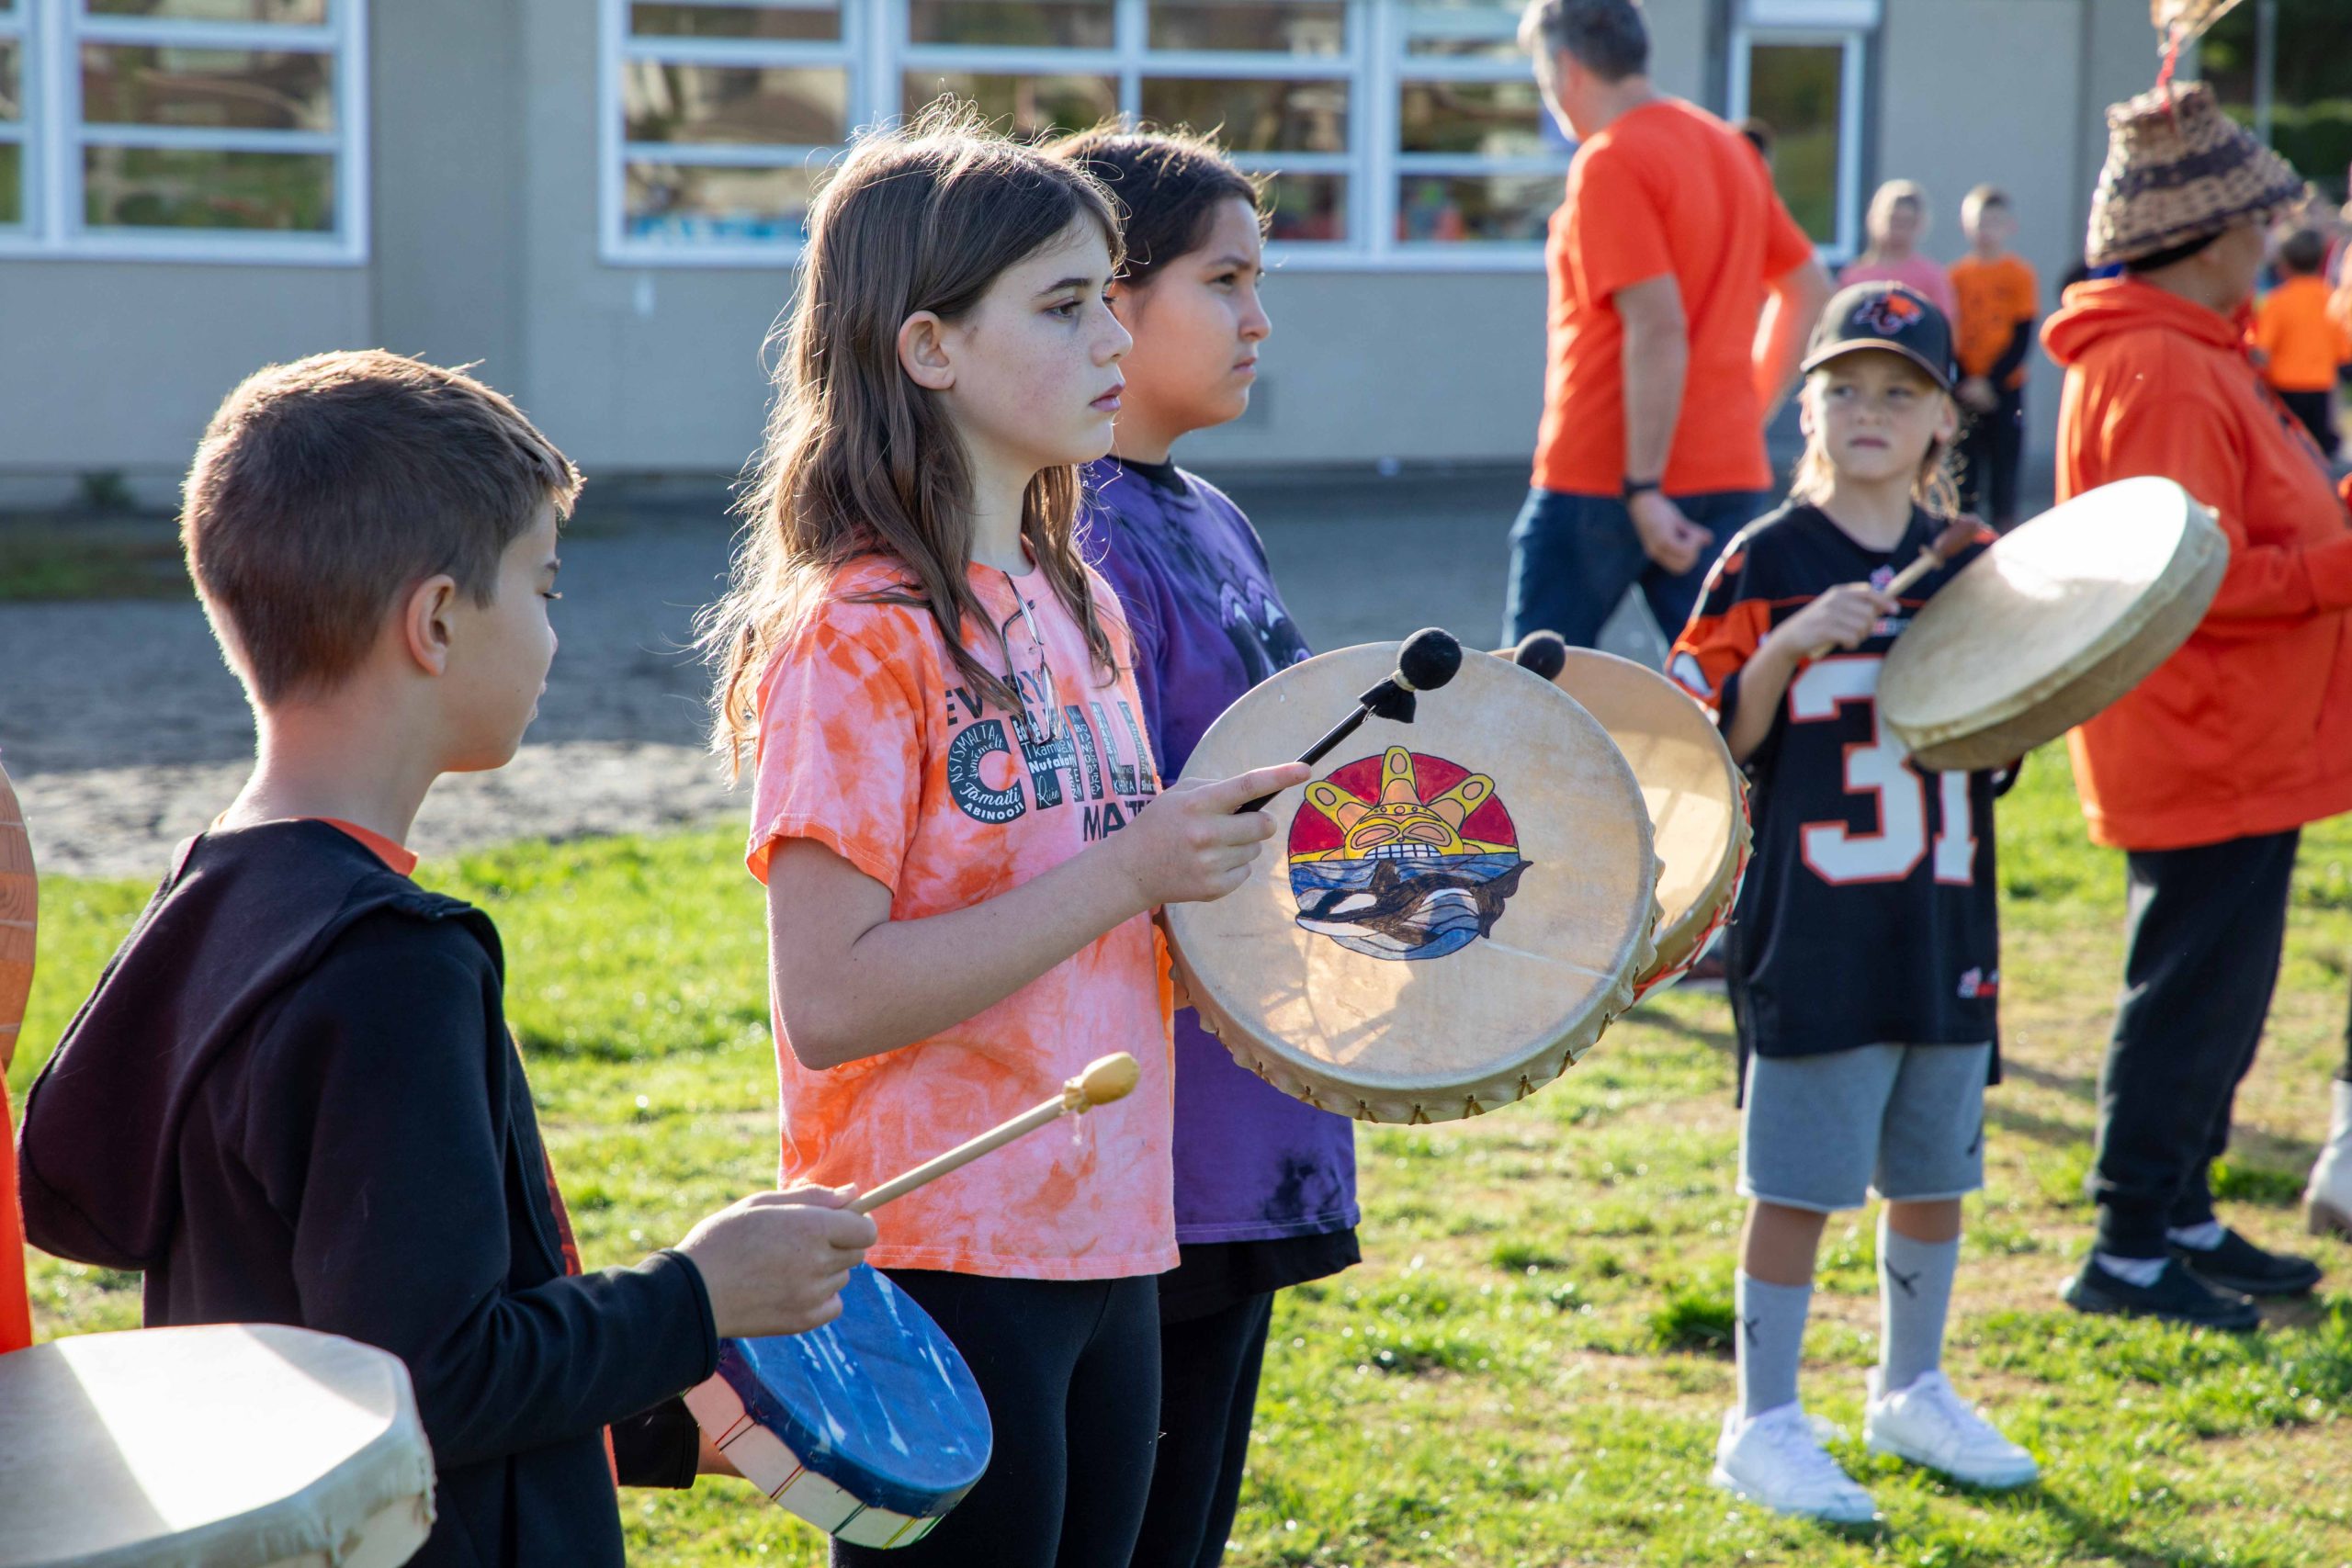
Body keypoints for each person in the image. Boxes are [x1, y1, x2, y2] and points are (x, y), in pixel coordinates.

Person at [13, 351, 880, 1567]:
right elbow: (436, 1376)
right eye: (543, 582)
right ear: (434, 621)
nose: (552, 628)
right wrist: (698, 1292)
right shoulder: (390, 967)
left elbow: (322, 1313)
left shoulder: (215, 887)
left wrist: (663, 1412)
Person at [700, 115, 1307, 1568]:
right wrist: (1131, 868)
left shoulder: (1075, 599)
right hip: (940, 1257)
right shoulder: (853, 641)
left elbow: (1112, 917)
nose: (1113, 335)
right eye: (1063, 303)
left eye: (1112, 293)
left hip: (1118, 1238)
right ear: (928, 348)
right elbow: (832, 1000)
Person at [1668, 283, 2037, 1524]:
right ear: (1807, 406)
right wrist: (1784, 649)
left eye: (1901, 391)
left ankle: (1910, 1383)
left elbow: (2008, 735)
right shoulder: (1763, 557)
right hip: (1814, 918)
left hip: (1941, 907)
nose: (1870, 411)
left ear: (1944, 419)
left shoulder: (1976, 563)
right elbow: (1704, 737)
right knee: (1799, 1180)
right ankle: (1761, 1415)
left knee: (1936, 1168)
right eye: (1845, 387)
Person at [1046, 125, 1361, 1568]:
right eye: (1225, 279)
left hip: (1256, 1127)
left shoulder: (1207, 513)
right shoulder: (1077, 539)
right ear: (1109, 296)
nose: (1259, 317)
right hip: (1155, 1150)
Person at [2041, 82, 2345, 1325]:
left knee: (2218, 990)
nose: (2272, 240)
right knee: (2187, 994)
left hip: (2234, 735)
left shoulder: (2185, 351)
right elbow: (2192, 576)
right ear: (2207, 237)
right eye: (2257, 223)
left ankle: (2180, 1209)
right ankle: (2127, 1241)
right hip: (2204, 734)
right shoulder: (2162, 365)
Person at [1502, 0, 1830, 654]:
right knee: (1722, 692)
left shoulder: (1610, 161)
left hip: (1606, 476)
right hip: (1723, 471)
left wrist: (1644, 487)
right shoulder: (1729, 148)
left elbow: (1656, 325)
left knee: (1526, 697)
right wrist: (1747, 411)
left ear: (1566, 69)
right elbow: (1809, 289)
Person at [1948, 186, 2040, 527]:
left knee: (2004, 470)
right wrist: (1968, 380)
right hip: (1965, 389)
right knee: (1965, 472)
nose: (1986, 230)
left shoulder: (2019, 274)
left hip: (2005, 388)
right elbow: (1952, 334)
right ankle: (1961, 546)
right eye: (1980, 222)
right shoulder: (1956, 276)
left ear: (2009, 226)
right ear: (1966, 226)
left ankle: (2004, 535)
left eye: (1994, 222)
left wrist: (1990, 382)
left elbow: (2022, 335)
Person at [2252, 227, 2350, 459]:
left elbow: (2262, 351)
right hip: (2321, 386)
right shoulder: (2331, 298)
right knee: (2322, 451)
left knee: (2290, 450)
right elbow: (2344, 352)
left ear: (2283, 265)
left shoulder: (2277, 302)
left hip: (2285, 389)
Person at [1841, 181, 1961, 321]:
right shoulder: (1854, 276)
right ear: (1875, 219)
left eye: (1906, 222)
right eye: (1893, 220)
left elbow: (1945, 327)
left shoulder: (1931, 277)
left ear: (1919, 224)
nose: (1898, 229)